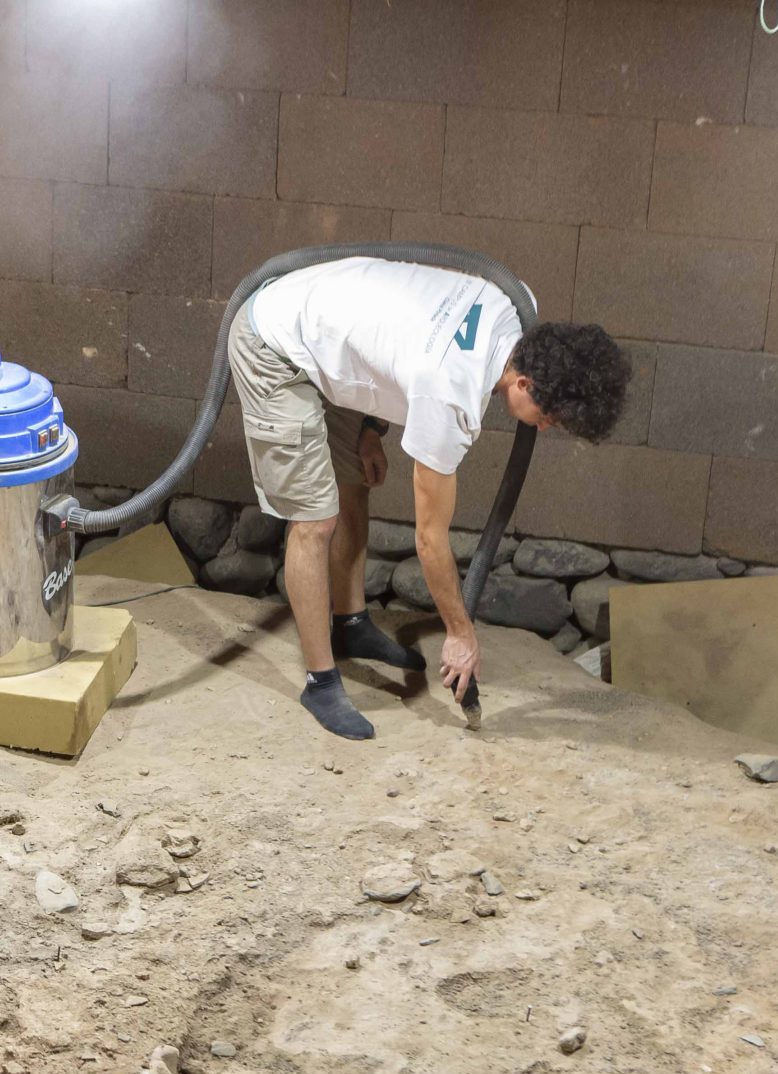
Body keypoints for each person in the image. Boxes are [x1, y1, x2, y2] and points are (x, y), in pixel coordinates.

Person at [230, 257, 631, 740]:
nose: (546, 427)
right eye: (549, 417)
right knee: (314, 520)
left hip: (325, 326)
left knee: (354, 479)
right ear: (524, 383)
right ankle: (320, 682)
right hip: (275, 342)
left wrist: (372, 427)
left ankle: (350, 623)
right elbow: (429, 540)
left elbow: (404, 340)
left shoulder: (512, 302)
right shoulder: (452, 396)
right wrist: (460, 634)